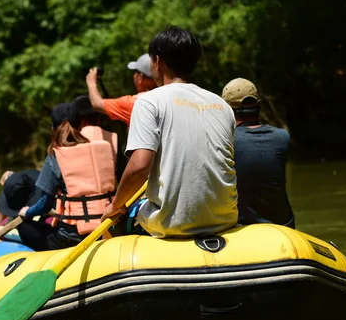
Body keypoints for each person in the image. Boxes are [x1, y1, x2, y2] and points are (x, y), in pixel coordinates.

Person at [101, 26, 238, 238]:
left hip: (172, 223)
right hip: (225, 219)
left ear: (157, 61)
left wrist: (115, 205)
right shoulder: (222, 105)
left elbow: (139, 167)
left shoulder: (148, 101)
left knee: (114, 221)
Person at [17, 102, 117, 251]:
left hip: (72, 237)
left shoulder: (56, 154)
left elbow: (44, 205)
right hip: (108, 227)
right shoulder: (103, 148)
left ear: (53, 128)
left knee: (24, 227)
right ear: (81, 124)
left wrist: (27, 212)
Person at [222, 78, 295, 228]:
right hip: (284, 226)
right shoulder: (282, 138)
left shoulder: (225, 142)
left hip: (244, 228)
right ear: (259, 105)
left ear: (227, 111)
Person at [86, 54, 157, 126]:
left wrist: (92, 83)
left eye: (135, 72)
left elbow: (97, 104)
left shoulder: (134, 103)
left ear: (140, 78)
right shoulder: (165, 98)